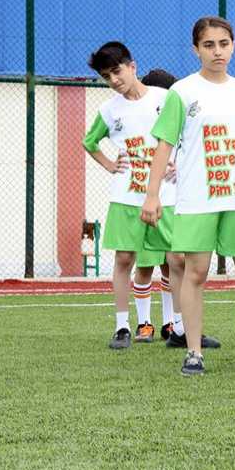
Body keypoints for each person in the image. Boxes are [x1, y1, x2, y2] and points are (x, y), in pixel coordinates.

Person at [141, 16, 235, 376]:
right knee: (196, 271)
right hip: (196, 199)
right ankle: (193, 351)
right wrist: (152, 194)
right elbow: (164, 146)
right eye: (208, 45)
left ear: (233, 45)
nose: (217, 51)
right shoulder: (183, 92)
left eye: (223, 43)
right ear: (196, 49)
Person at [82, 42, 167, 350]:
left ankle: (179, 327)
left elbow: (184, 137)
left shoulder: (164, 99)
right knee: (125, 258)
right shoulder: (109, 110)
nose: (114, 80)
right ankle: (122, 326)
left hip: (165, 196)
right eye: (107, 76)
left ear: (133, 66)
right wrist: (109, 165)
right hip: (126, 197)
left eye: (117, 71)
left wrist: (178, 166)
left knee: (176, 259)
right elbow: (89, 142)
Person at [139, 68, 221, 348]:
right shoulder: (150, 122)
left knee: (182, 262)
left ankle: (181, 327)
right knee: (170, 261)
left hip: (186, 196)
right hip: (164, 198)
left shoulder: (186, 116)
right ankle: (173, 328)